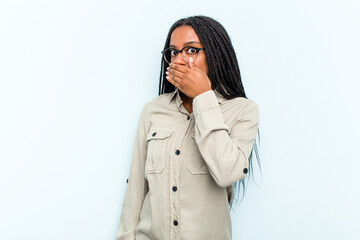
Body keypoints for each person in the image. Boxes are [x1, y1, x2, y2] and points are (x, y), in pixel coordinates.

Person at [116, 15, 260, 240]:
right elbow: (135, 189)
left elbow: (227, 173)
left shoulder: (242, 111)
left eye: (191, 50)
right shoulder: (153, 111)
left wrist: (203, 97)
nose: (179, 60)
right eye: (174, 52)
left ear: (215, 55)